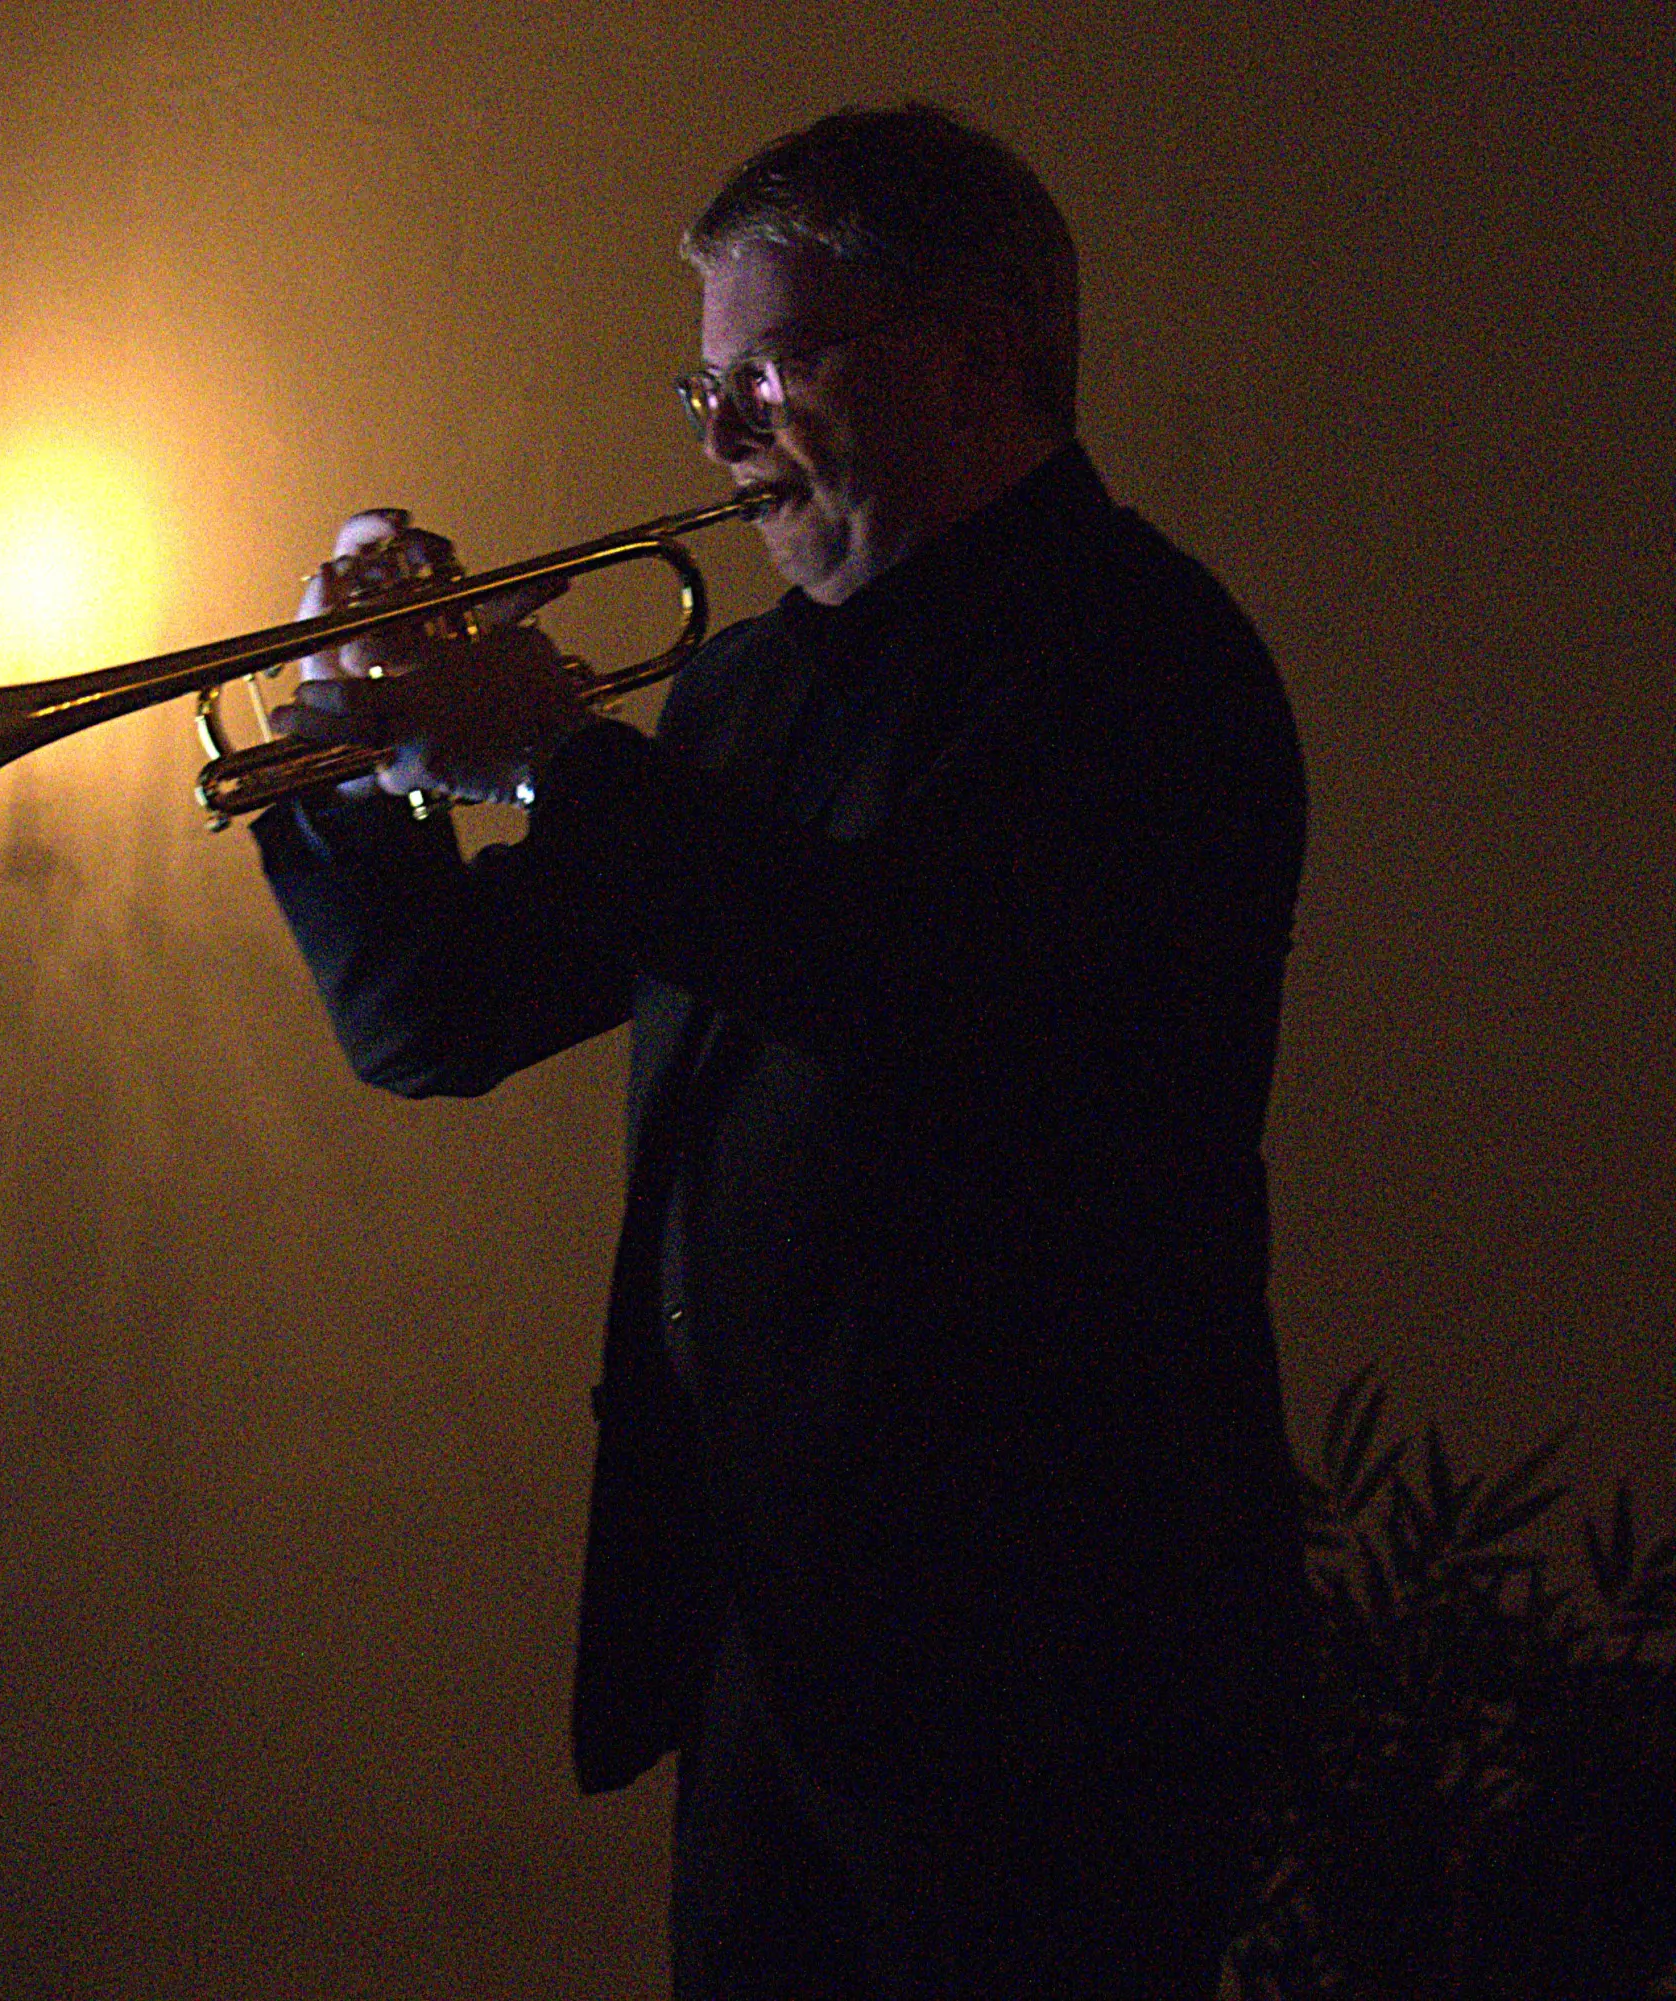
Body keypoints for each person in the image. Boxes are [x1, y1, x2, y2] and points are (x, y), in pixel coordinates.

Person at [258, 105, 1308, 1999]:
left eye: (771, 371)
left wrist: (551, 755)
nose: (722, 435)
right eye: (707, 382)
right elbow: (439, 1019)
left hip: (1050, 1651)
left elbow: (930, 996)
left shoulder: (1140, 655)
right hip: (771, 1645)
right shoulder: (744, 689)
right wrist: (345, 757)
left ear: (973, 361)